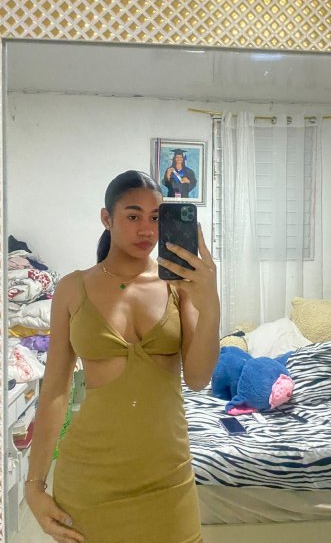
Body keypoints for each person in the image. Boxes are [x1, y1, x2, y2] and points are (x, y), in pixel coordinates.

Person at [25, 170, 220, 543]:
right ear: (107, 218)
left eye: (156, 217)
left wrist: (211, 305)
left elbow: (198, 378)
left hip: (168, 477)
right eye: (133, 216)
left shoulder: (178, 287)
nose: (147, 229)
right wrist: (34, 486)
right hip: (90, 480)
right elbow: (55, 392)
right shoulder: (72, 288)